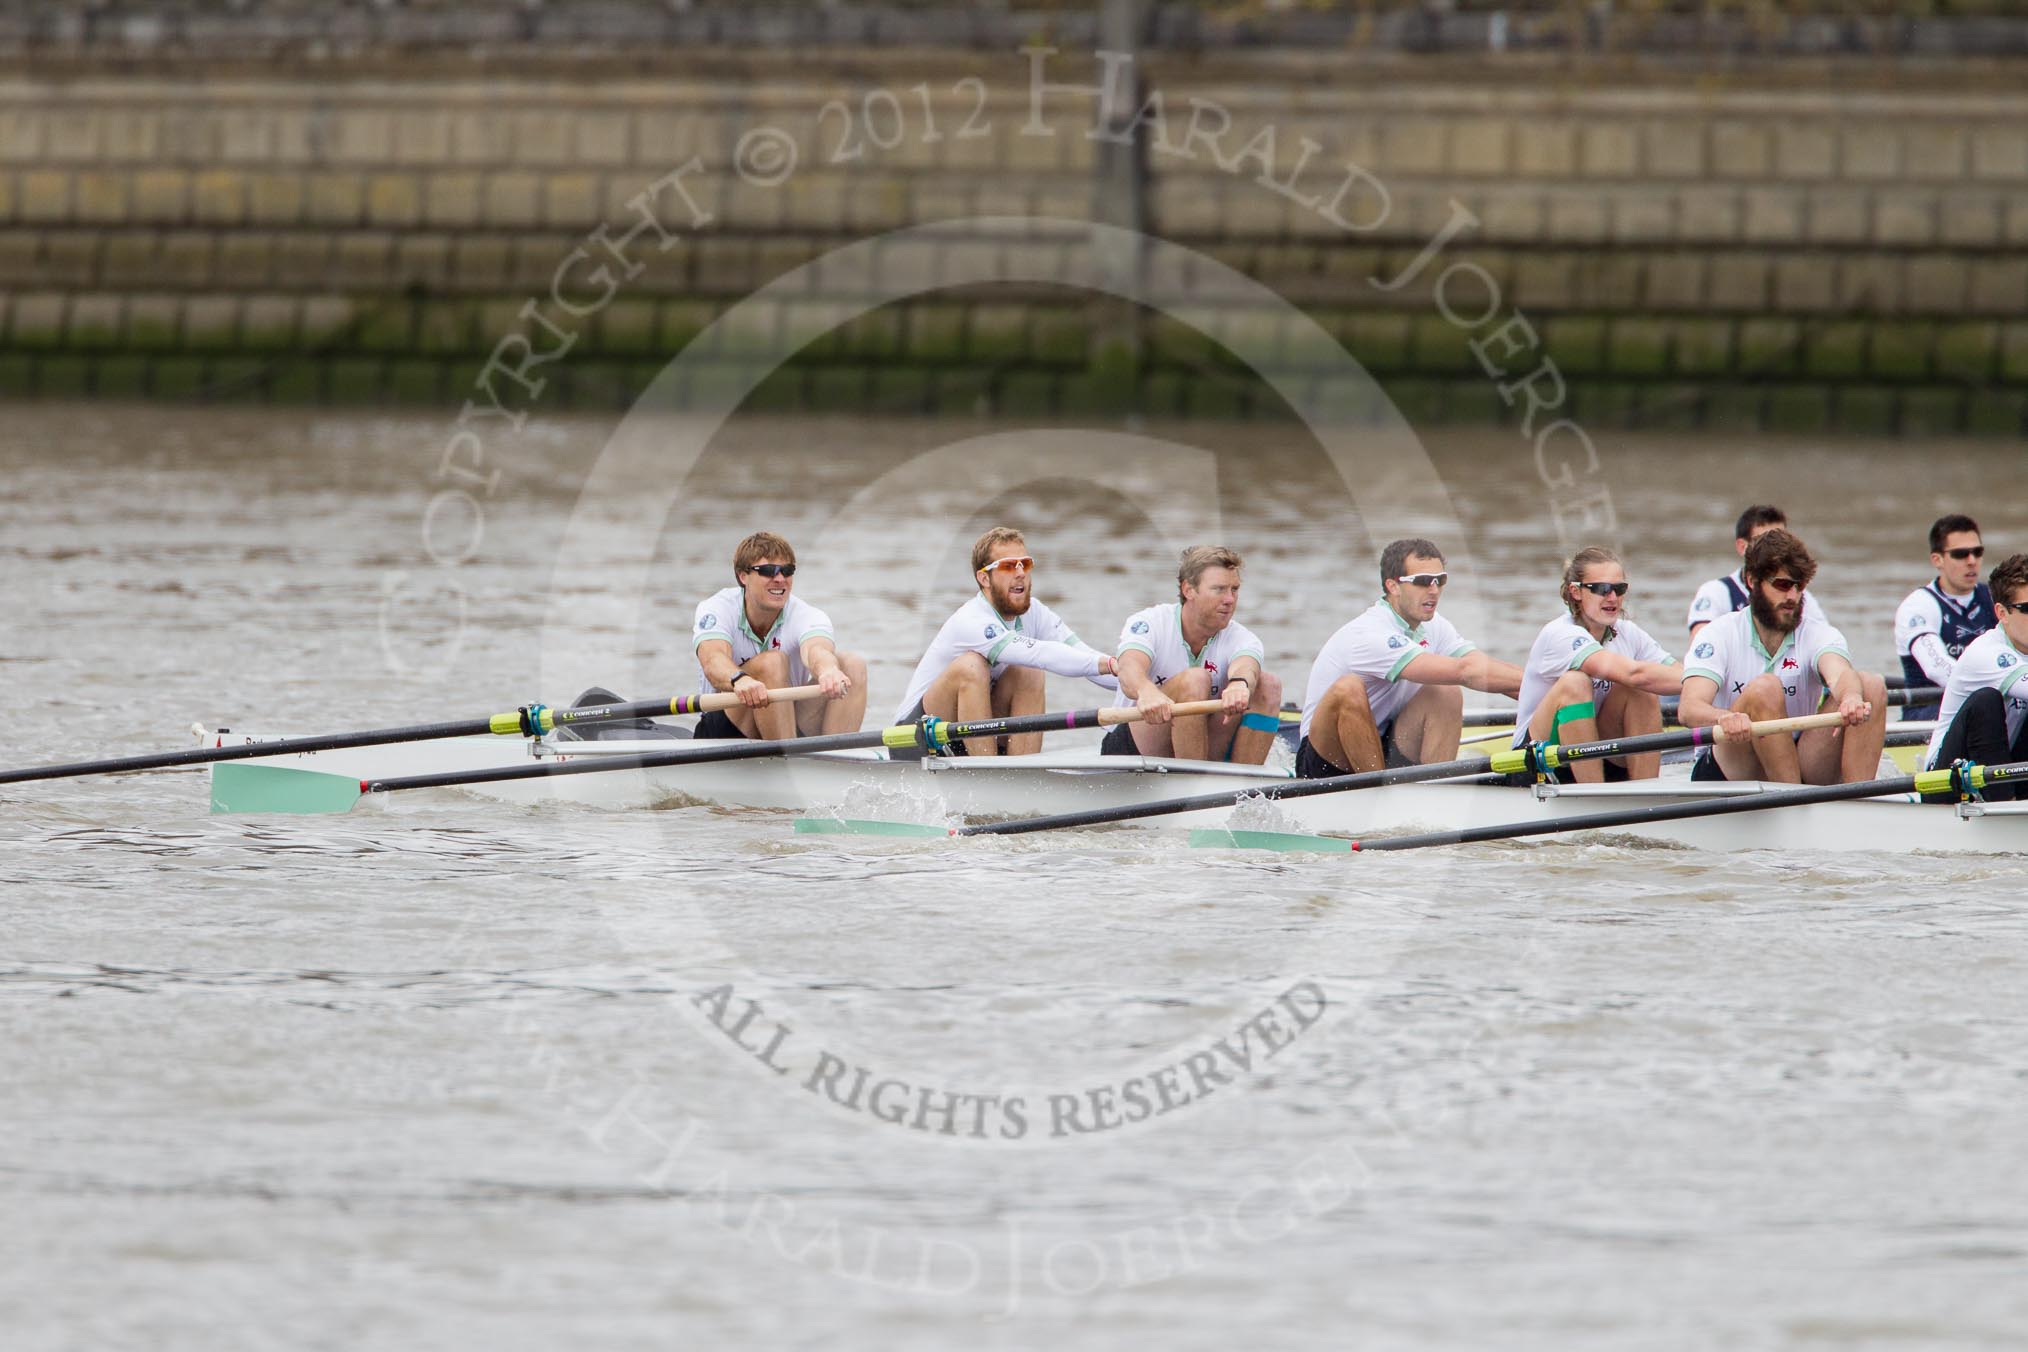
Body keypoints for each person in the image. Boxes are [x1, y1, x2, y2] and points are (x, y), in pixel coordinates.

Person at [1297, 538, 1523, 777]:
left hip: (1382, 743)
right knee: (1348, 688)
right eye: (1423, 582)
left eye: (1440, 580)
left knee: (1445, 692)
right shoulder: (1370, 634)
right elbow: (1465, 672)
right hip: (1326, 757)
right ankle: (1376, 795)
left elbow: (1483, 668)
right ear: (1393, 586)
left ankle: (1436, 791)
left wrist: (1550, 692)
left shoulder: (1435, 625)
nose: (1434, 590)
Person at [1677, 528, 1886, 784]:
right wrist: (1724, 717)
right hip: (1731, 764)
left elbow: (1840, 673)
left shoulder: (1817, 633)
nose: (1793, 597)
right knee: (1766, 687)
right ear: (1753, 581)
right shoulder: (1718, 634)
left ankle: (1858, 805)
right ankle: (1794, 806)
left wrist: (1851, 697)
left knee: (1871, 686)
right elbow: (1688, 709)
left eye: (1800, 586)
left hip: (1796, 757)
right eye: (1783, 585)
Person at [892, 526, 1118, 756]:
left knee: (1028, 672)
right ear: (984, 578)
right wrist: (1110, 664)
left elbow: (1083, 656)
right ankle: (988, 777)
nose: (1020, 573)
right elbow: (1040, 653)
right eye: (1008, 566)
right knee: (972, 666)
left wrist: (1136, 681)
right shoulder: (972, 619)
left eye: (1025, 564)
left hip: (968, 735)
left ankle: (1022, 777)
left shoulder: (1036, 613)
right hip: (913, 739)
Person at [1510, 547, 1682, 783]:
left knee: (1641, 691)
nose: (1612, 598)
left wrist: (1708, 681)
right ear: (1576, 592)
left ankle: (1646, 793)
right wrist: (1706, 681)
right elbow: (1632, 673)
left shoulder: (1628, 632)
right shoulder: (1560, 634)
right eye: (1601, 589)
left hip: (1592, 751)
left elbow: (1680, 674)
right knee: (1576, 682)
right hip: (1539, 761)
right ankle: (1593, 795)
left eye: (1619, 589)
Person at [1100, 545, 1284, 764]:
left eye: (1234, 589)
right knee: (1196, 679)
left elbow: (1246, 666)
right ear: (1188, 590)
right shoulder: (1150, 622)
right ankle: (1195, 784)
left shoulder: (1242, 637)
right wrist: (1146, 691)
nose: (1230, 599)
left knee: (1269, 685)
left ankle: (1244, 788)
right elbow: (1129, 669)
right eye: (1219, 589)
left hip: (1202, 741)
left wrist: (1239, 684)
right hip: (1135, 746)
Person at [691, 531, 867, 740]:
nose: (780, 579)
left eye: (787, 570)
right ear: (743, 576)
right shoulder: (717, 607)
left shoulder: (807, 615)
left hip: (786, 720)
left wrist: (828, 671)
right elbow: (713, 660)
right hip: (727, 727)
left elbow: (816, 650)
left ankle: (835, 764)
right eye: (768, 571)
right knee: (772, 662)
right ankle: (787, 763)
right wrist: (740, 680)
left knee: (852, 665)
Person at [1922, 552, 2028, 803]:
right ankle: (2006, 807)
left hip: (1997, 766)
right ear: (2002, 613)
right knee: (1986, 700)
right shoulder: (1987, 653)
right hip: (1944, 782)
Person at [1895, 513, 1994, 721]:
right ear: (1937, 559)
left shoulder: (1997, 598)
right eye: (1961, 554)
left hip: (1989, 704)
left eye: (1977, 552)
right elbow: (1937, 668)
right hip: (1929, 712)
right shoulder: (1919, 606)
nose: (1972, 561)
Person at [1686, 504, 1827, 644]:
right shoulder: (1716, 592)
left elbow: (1824, 642)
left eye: (1781, 541)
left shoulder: (1798, 596)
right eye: (1762, 540)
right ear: (1742, 547)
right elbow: (1699, 645)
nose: (1773, 549)